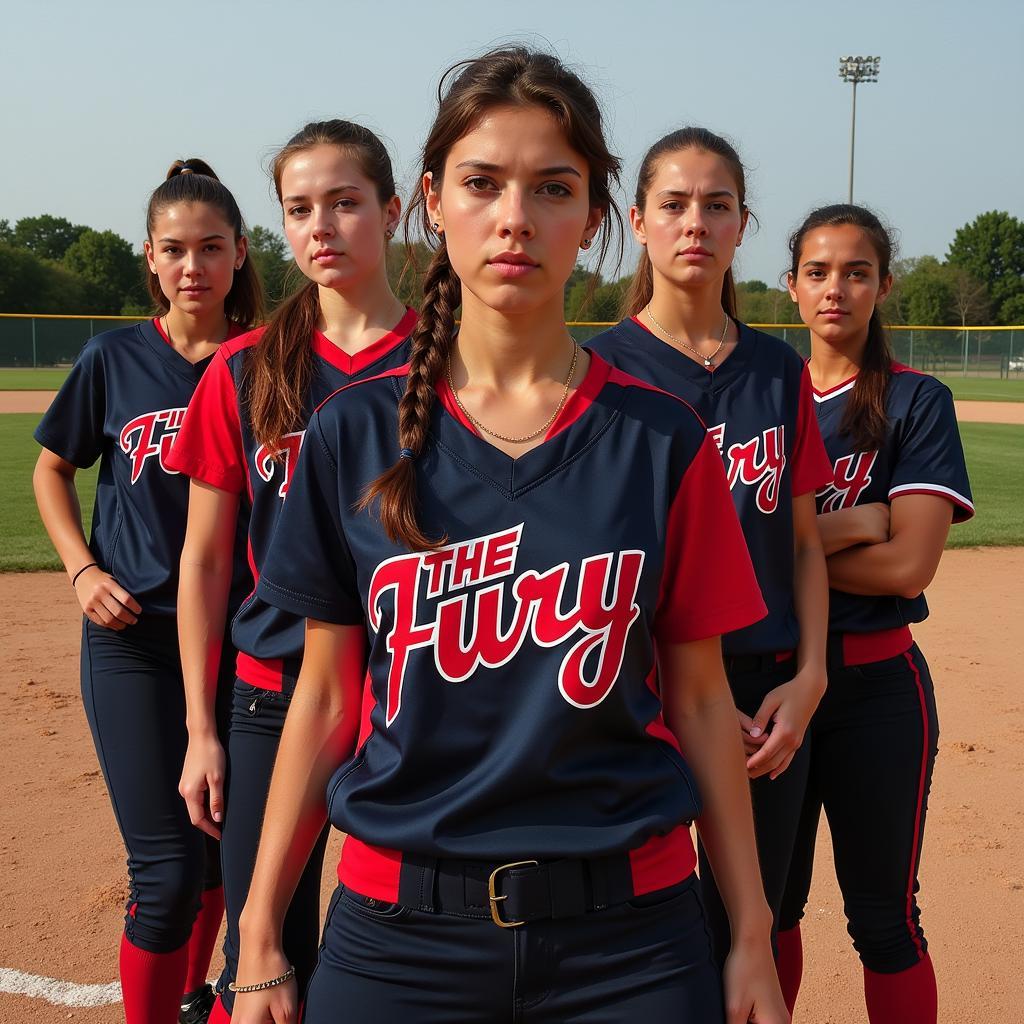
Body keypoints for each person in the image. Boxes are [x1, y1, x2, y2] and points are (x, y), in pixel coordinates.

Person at [229, 48, 789, 1024]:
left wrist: (747, 934)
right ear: (434, 202)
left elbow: (701, 702)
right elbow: (324, 696)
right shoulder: (353, 435)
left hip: (633, 939)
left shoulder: (660, 441)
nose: (516, 217)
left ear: (595, 219)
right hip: (398, 933)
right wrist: (262, 932)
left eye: (554, 187)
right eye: (483, 183)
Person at [165, 121, 415, 1021]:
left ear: (393, 211)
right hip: (276, 695)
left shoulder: (453, 360)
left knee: (414, 953)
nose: (323, 226)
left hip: (413, 694)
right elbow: (204, 561)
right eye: (300, 208)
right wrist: (201, 728)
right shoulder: (243, 368)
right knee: (267, 960)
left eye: (347, 203)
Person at [589, 127, 833, 972]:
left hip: (766, 692)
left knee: (761, 909)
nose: (696, 222)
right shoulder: (598, 369)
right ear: (639, 221)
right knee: (640, 922)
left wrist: (810, 677)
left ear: (741, 226)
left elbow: (803, 543)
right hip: (636, 684)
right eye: (675, 204)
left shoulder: (777, 369)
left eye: (717, 205)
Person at [32, 159, 263, 1024]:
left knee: (214, 860)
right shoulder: (115, 357)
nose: (193, 266)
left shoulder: (267, 361)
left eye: (211, 247)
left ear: (241, 253)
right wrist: (82, 569)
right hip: (134, 639)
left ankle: (194, 998)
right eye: (175, 250)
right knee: (166, 872)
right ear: (150, 258)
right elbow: (51, 471)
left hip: (241, 643)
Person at [777, 204, 974, 1024]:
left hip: (878, 696)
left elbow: (906, 564)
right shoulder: (760, 396)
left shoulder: (915, 401)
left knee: (884, 921)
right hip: (769, 690)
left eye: (857, 272)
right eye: (818, 272)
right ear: (791, 288)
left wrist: (789, 541)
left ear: (883, 286)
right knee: (762, 910)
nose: (836, 289)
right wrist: (853, 521)